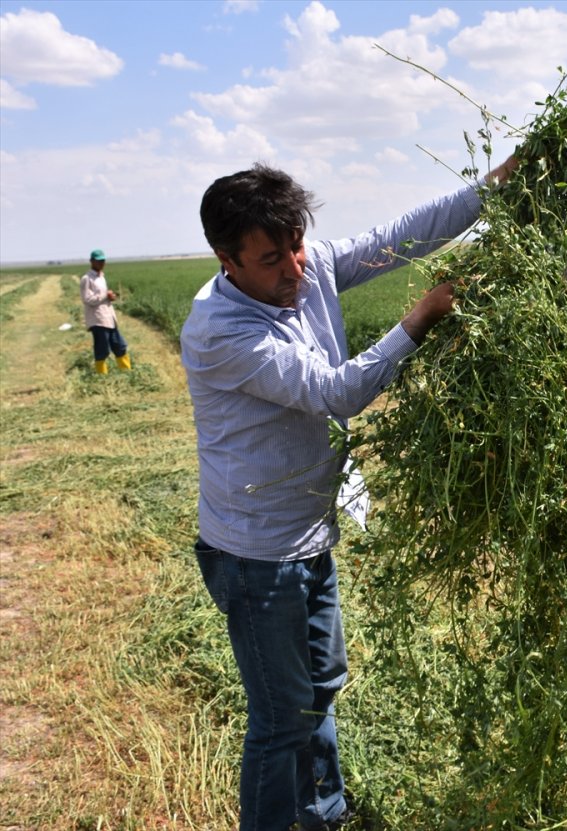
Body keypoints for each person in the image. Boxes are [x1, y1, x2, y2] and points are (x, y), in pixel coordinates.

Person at [180, 156, 516, 831]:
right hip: (255, 553)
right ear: (227, 259)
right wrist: (421, 315)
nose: (294, 267)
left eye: (298, 245)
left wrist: (498, 186)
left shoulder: (307, 268)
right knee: (280, 717)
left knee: (321, 687)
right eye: (272, 258)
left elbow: (406, 234)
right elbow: (338, 391)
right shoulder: (221, 330)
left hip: (310, 529)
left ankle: (325, 812)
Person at [79, 249, 131, 374]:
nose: (101, 263)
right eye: (98, 261)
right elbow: (86, 299)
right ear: (92, 261)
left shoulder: (102, 277)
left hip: (109, 317)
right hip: (98, 319)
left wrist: (110, 297)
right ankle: (102, 377)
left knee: (120, 346)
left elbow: (102, 297)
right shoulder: (87, 279)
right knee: (102, 350)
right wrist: (105, 295)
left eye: (103, 260)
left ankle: (127, 373)